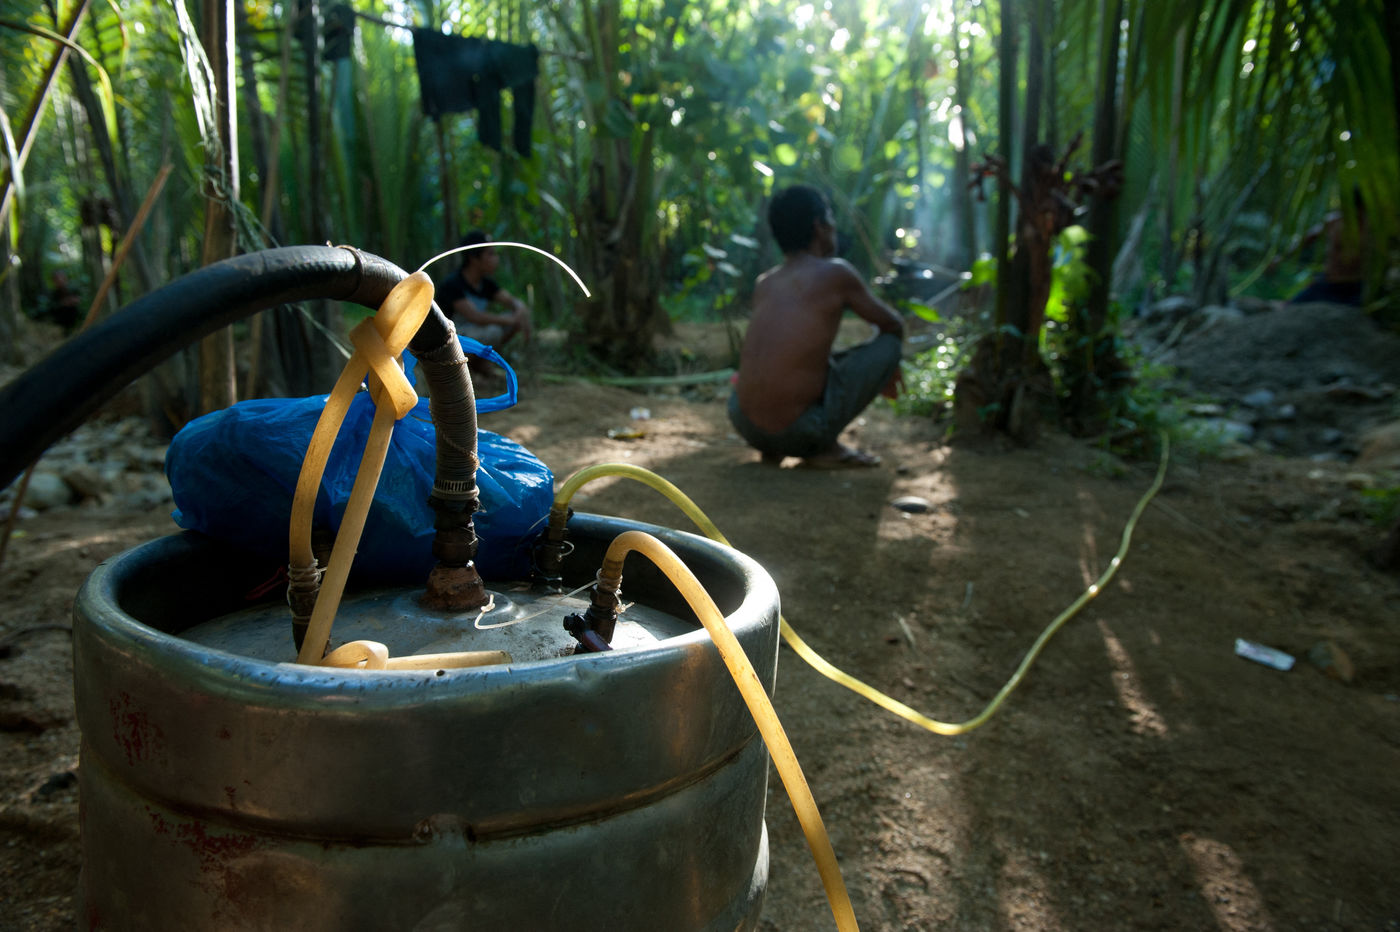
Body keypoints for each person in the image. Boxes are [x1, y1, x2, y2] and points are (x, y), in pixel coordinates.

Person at [728, 185, 905, 468]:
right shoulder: (836, 272)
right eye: (831, 218)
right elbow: (893, 325)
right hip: (799, 433)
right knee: (889, 345)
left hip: (744, 424)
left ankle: (774, 448)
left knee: (814, 362)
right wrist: (888, 369)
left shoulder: (765, 282)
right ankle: (825, 448)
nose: (835, 227)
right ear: (819, 227)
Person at [436, 230, 534, 347]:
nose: (496, 258)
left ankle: (486, 356)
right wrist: (511, 320)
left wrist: (520, 309)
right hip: (448, 340)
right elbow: (475, 316)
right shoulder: (452, 284)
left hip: (475, 332)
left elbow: (511, 300)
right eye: (490, 254)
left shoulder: (486, 284)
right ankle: (473, 357)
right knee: (493, 331)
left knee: (503, 325)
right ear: (473, 258)